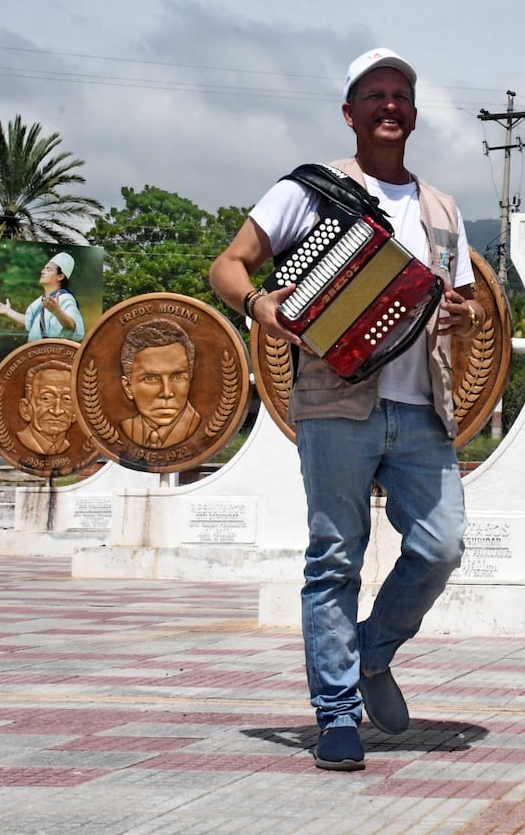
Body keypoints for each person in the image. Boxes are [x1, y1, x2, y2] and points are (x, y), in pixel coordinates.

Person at [209, 47, 483, 772]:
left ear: (414, 115)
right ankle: (335, 714)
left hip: (423, 406)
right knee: (335, 558)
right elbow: (227, 265)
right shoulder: (309, 190)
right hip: (335, 401)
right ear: (350, 112)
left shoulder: (443, 207)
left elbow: (465, 303)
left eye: (401, 96)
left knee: (442, 546)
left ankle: (369, 652)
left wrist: (466, 314)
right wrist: (261, 304)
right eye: (375, 95)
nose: (390, 106)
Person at [118, 318, 203, 448]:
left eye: (177, 377)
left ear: (189, 379)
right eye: (151, 379)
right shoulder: (125, 428)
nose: (166, 392)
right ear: (128, 387)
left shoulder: (200, 427)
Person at [0, 251, 86, 341]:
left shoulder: (65, 298)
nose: (43, 271)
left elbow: (71, 325)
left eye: (48, 269)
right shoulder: (40, 300)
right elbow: (30, 322)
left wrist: (57, 311)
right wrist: (9, 312)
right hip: (35, 350)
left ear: (60, 276)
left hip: (53, 350)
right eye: (44, 268)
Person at [15, 360, 74, 455]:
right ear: (25, 409)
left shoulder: (68, 446)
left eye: (67, 399)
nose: (56, 411)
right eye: (46, 398)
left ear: (75, 413)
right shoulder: (21, 440)